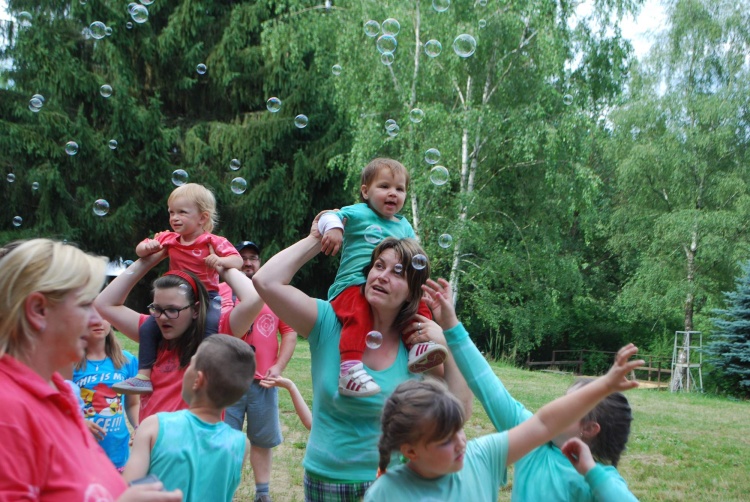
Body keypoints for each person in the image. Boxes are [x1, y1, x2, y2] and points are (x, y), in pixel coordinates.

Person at [252, 216, 472, 501]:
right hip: (327, 482)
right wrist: (318, 237)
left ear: (411, 293)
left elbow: (459, 412)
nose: (382, 276)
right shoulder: (328, 322)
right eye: (378, 266)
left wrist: (448, 338)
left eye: (397, 272)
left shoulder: (417, 348)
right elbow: (265, 281)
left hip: (393, 483)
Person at [364, 294, 643, 502]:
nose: (461, 441)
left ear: (590, 428)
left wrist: (591, 471)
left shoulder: (481, 457)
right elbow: (489, 386)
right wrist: (452, 327)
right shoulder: (387, 492)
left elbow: (546, 421)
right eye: (564, 400)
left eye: (572, 405)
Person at [0, 238, 180, 501]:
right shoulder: (8, 410)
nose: (97, 319)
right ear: (38, 310)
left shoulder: (57, 392)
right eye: (85, 304)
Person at [317, 158, 447, 396]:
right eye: (384, 186)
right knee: (359, 315)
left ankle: (419, 346)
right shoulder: (359, 212)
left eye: (400, 189)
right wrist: (333, 228)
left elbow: (413, 255)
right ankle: (349, 370)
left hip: (387, 288)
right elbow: (327, 216)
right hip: (352, 286)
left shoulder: (404, 226)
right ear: (365, 191)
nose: (392, 193)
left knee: (416, 305)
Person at [94, 247, 261, 422]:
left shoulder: (217, 334)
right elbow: (104, 303)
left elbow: (254, 298)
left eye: (172, 310)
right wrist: (150, 260)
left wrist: (220, 265)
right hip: (152, 438)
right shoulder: (152, 333)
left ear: (195, 309)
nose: (162, 317)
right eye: (157, 309)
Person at [117, 182, 243, 394]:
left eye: (182, 212)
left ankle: (204, 372)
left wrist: (220, 261)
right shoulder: (169, 239)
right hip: (177, 298)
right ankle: (143, 376)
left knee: (210, 325)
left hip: (207, 296)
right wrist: (147, 246)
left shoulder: (212, 241)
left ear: (202, 217)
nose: (174, 217)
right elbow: (140, 250)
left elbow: (237, 260)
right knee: (148, 328)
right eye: (171, 212)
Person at [124, 335, 256, 502]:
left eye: (190, 364)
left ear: (197, 380)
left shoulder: (154, 426)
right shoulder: (241, 445)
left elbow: (126, 491)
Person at [218, 240, 297, 502]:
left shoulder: (272, 294)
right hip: (227, 381)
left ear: (260, 263)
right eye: (242, 257)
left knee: (262, 439)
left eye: (253, 258)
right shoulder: (221, 291)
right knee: (224, 439)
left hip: (263, 381)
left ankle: (262, 494)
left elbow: (289, 332)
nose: (248, 262)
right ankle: (223, 492)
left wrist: (278, 367)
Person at [73, 313, 140, 472]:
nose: (98, 322)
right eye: (91, 316)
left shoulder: (126, 360)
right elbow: (59, 405)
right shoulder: (70, 362)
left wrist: (138, 427)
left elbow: (132, 403)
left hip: (118, 454)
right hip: (83, 455)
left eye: (103, 316)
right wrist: (78, 422)